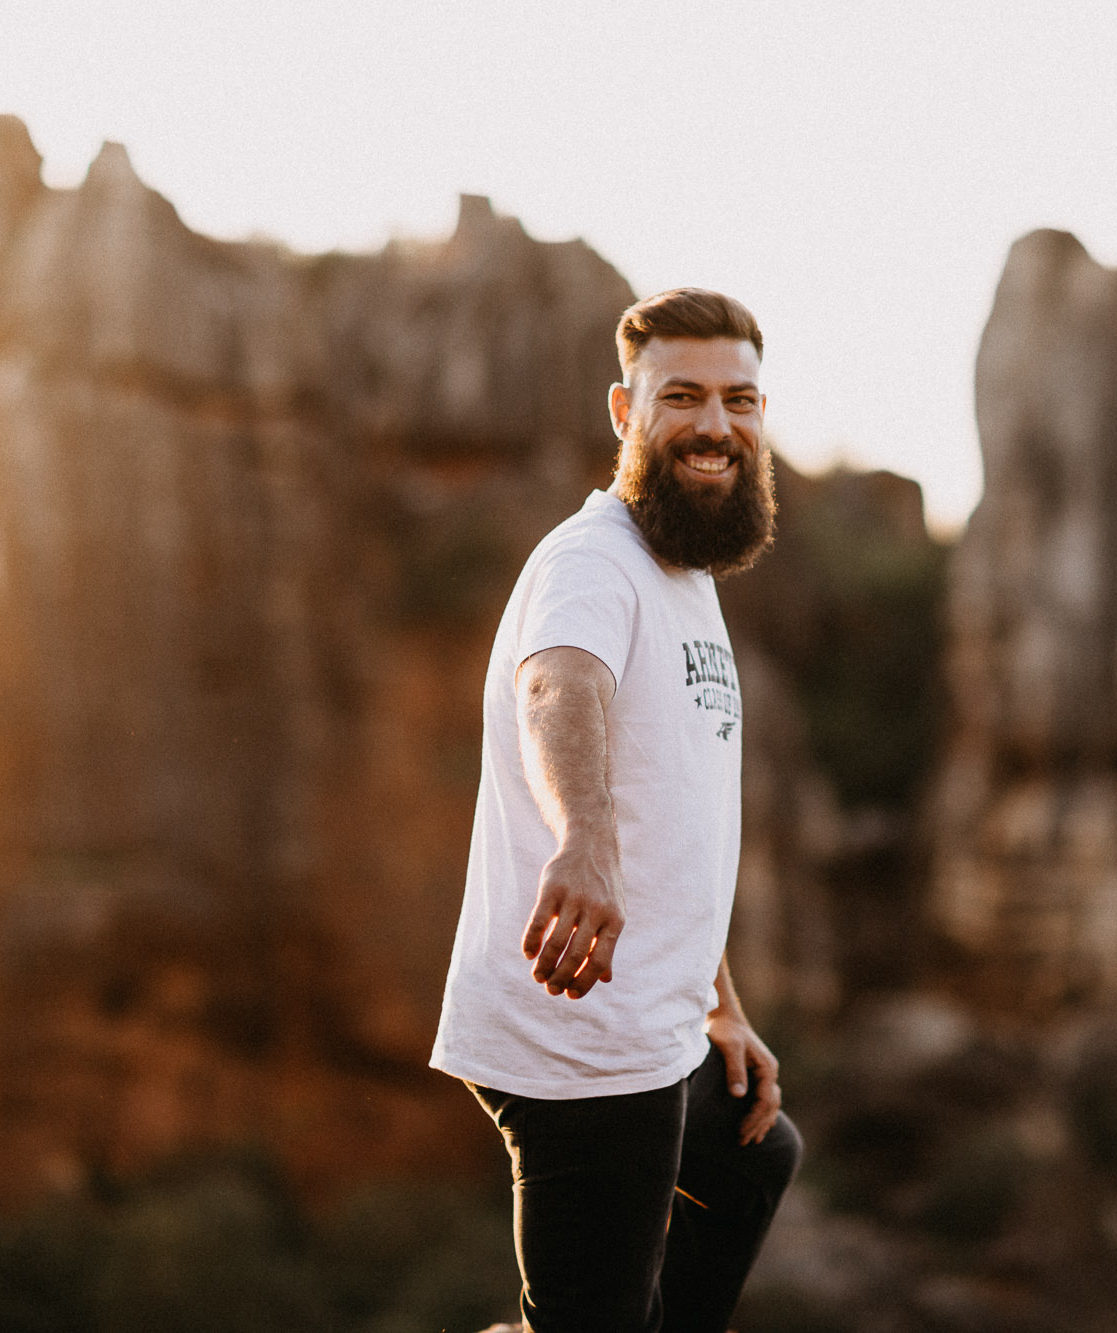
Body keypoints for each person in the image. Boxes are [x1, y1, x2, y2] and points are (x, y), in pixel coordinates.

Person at [431, 288, 802, 1333]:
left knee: (752, 1155)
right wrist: (581, 839)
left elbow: (680, 815)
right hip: (582, 1037)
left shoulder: (681, 569)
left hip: (655, 1023)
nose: (714, 425)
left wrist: (716, 998)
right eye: (680, 395)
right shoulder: (593, 559)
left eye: (738, 399)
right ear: (622, 410)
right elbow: (558, 686)